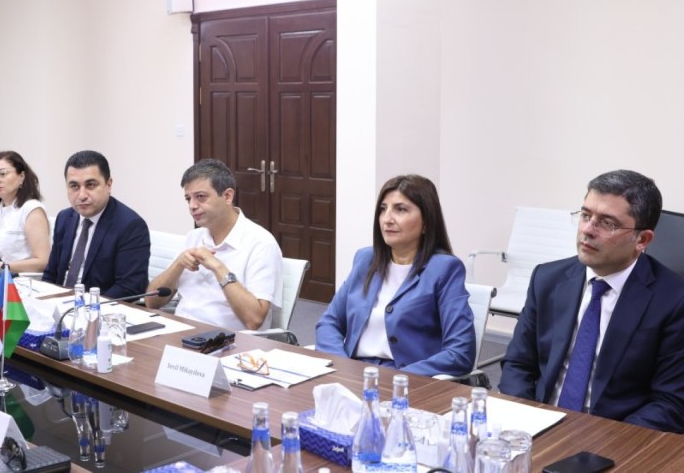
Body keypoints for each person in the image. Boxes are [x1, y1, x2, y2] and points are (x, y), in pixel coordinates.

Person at [499, 170, 684, 433]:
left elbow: (671, 403)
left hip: (615, 435)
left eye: (607, 223)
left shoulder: (673, 300)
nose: (587, 230)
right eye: (586, 215)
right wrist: (526, 420)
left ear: (642, 239)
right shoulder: (547, 279)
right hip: (539, 424)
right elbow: (518, 364)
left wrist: (603, 442)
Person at [315, 174, 475, 377]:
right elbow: (328, 324)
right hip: (353, 371)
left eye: (400, 209)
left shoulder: (444, 269)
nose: (387, 219)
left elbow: (460, 353)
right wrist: (342, 365)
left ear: (426, 223)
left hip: (406, 379)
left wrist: (397, 378)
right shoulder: (365, 259)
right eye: (383, 209)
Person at [146, 159, 282, 331]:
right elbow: (151, 302)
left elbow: (254, 320)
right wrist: (178, 264)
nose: (192, 206)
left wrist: (218, 268)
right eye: (188, 199)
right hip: (180, 332)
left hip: (227, 340)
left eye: (200, 197)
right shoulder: (193, 237)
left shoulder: (261, 243)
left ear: (227, 196)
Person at [42, 150, 150, 299]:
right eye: (74, 186)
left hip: (100, 307)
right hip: (59, 303)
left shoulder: (130, 226)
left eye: (90, 185)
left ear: (108, 184)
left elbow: (129, 287)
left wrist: (87, 307)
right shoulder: (64, 218)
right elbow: (51, 274)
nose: (82, 195)